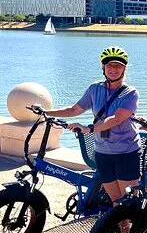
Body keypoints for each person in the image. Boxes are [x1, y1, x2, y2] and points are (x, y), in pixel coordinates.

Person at [41, 46, 140, 204]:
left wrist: (89, 128)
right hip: (102, 151)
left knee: (128, 203)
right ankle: (119, 221)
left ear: (124, 69)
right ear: (103, 67)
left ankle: (133, 220)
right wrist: (46, 112)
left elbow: (116, 119)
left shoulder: (130, 93)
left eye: (118, 66)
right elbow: (74, 109)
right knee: (115, 200)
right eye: (109, 65)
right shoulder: (95, 89)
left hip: (126, 152)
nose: (113, 69)